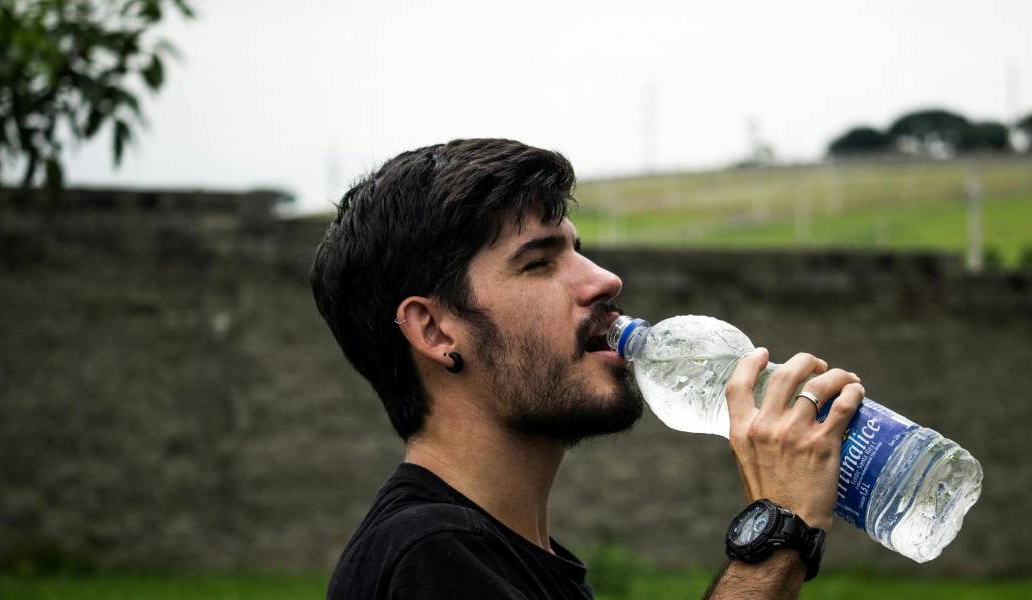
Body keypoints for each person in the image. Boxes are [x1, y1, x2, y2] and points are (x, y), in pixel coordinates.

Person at [310, 138, 864, 599]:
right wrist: (779, 531)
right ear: (434, 330)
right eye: (538, 262)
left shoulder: (514, 560)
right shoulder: (429, 557)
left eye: (578, 251)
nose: (604, 280)